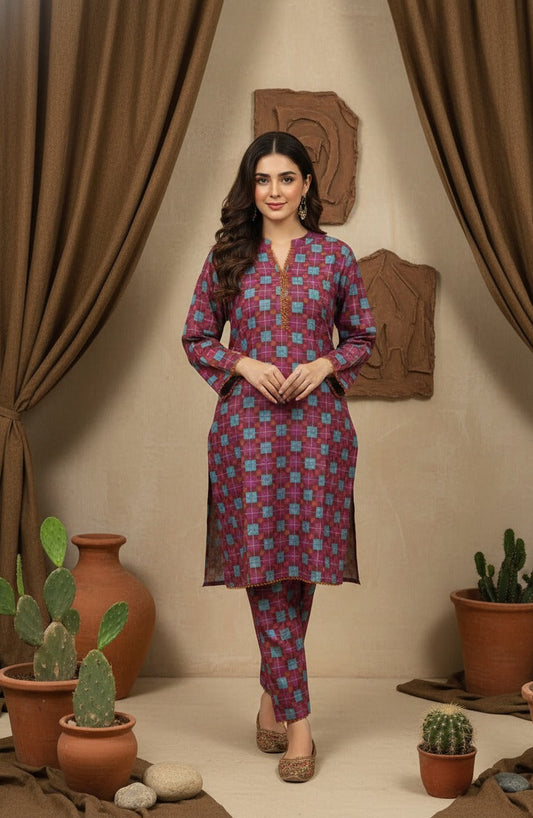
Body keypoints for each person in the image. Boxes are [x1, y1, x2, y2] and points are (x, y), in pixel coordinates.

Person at [182, 131, 376, 782]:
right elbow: (197, 336)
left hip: (319, 430)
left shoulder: (335, 257)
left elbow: (362, 336)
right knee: (264, 570)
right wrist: (244, 361)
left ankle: (269, 700)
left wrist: (324, 362)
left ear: (305, 186)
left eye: (286, 178)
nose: (273, 191)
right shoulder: (228, 257)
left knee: (298, 569)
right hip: (246, 430)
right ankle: (299, 728)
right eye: (262, 179)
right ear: (249, 187)